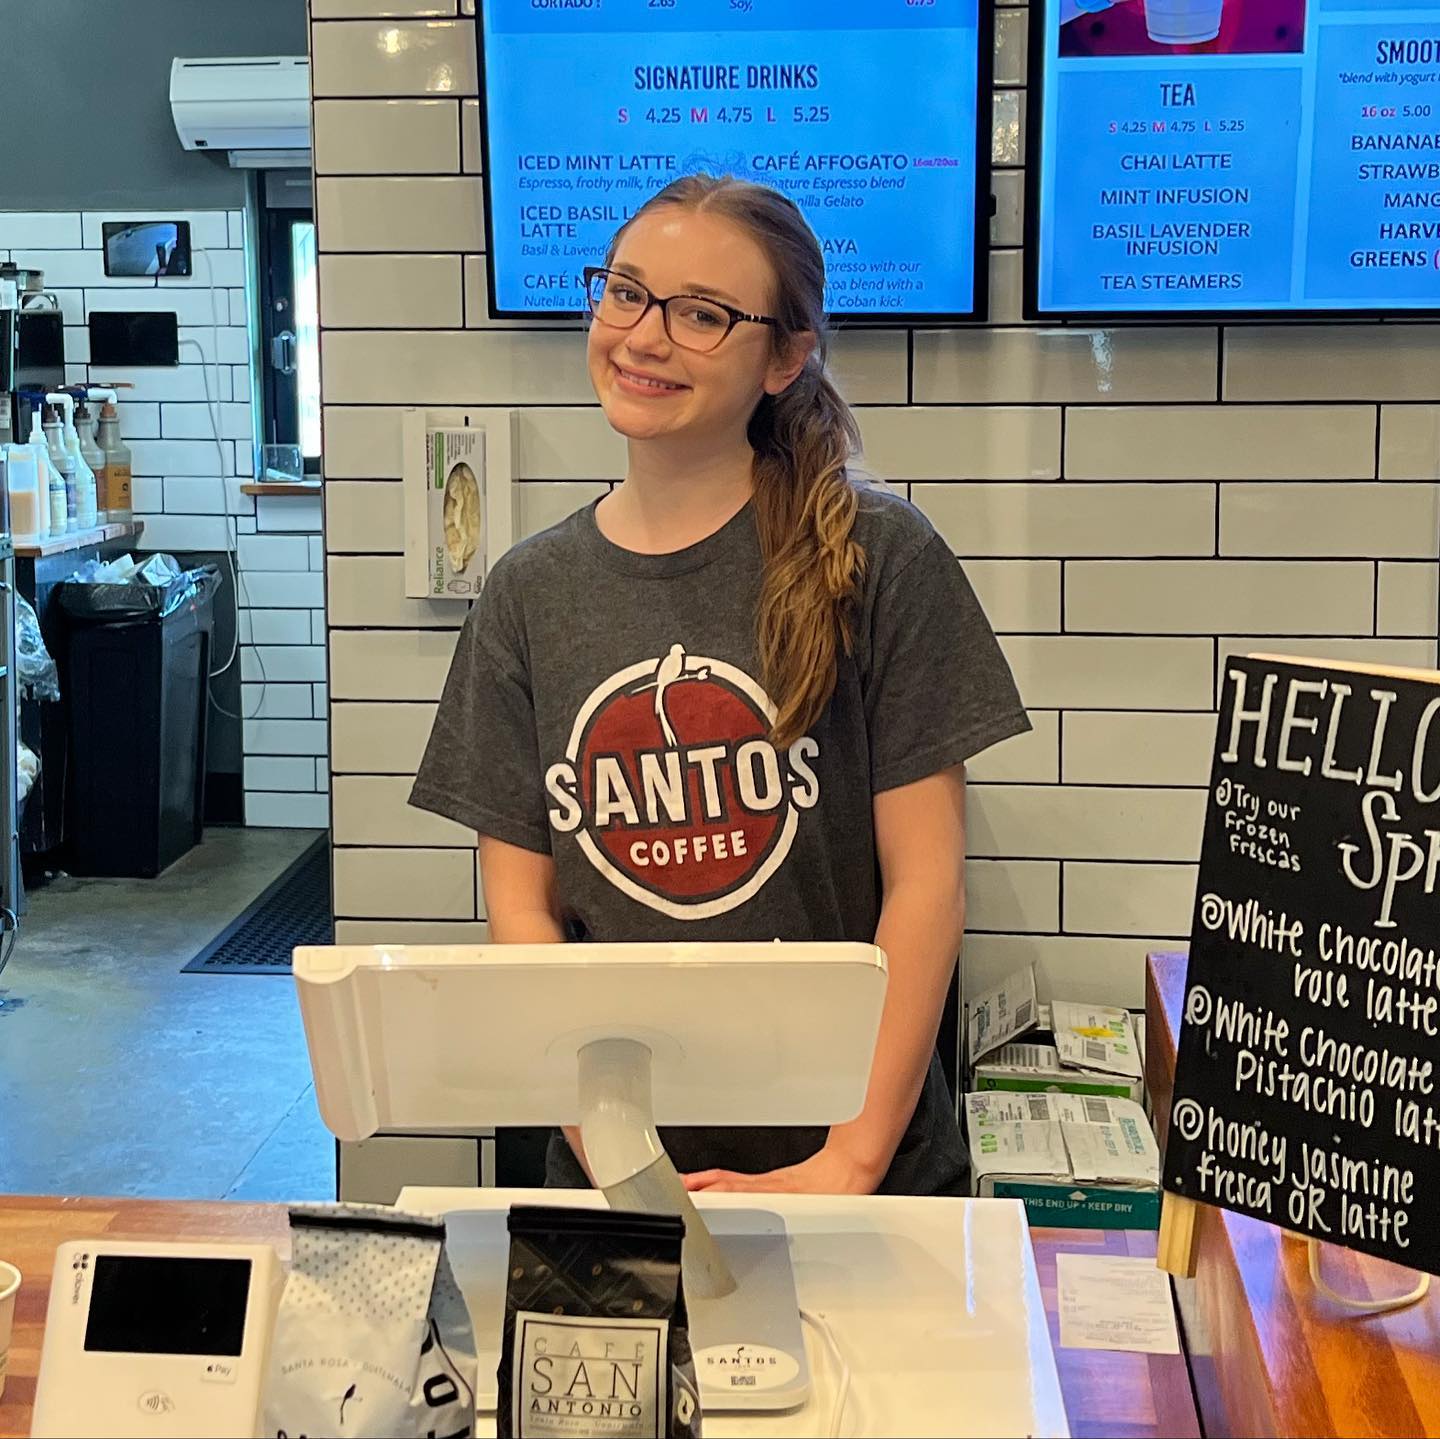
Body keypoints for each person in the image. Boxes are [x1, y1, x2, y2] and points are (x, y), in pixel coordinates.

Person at [410, 173, 1030, 1196]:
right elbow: (523, 918)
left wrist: (846, 1163)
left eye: (701, 314)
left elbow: (928, 887)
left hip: (860, 1180)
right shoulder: (528, 592)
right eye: (626, 293)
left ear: (785, 357)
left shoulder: (881, 556)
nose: (643, 337)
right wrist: (625, 1166)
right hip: (617, 1173)